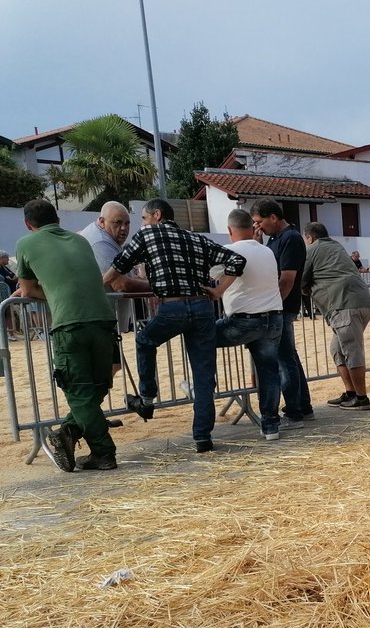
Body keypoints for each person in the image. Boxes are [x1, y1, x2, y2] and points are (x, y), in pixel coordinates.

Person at [105, 198, 245, 453]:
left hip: (172, 307)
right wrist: (218, 291)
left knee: (145, 340)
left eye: (144, 218)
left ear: (156, 215)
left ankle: (147, 398)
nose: (143, 224)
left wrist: (95, 288)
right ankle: (202, 437)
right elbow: (236, 261)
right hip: (203, 307)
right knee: (204, 375)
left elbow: (118, 268)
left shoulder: (148, 235)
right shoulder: (196, 238)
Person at [12, 199, 118, 471]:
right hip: (105, 320)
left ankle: (104, 453)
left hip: (70, 324)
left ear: (28, 224)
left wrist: (56, 295)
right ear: (57, 219)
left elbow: (27, 290)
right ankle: (67, 432)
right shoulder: (81, 241)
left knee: (79, 391)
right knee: (97, 386)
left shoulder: (26, 243)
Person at [200, 209, 284, 441]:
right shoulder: (267, 251)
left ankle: (201, 386)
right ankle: (270, 425)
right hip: (273, 317)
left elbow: (213, 275)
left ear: (229, 230)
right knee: (269, 371)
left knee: (200, 338)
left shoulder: (229, 251)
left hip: (243, 320)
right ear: (252, 226)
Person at [251, 200, 313, 428]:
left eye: (259, 222)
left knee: (285, 360)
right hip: (280, 306)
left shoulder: (291, 238)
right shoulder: (277, 239)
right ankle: (302, 407)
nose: (257, 227)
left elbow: (286, 280)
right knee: (289, 358)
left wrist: (273, 306)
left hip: (282, 308)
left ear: (273, 218)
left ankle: (295, 412)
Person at [301, 222, 370, 411]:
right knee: (337, 349)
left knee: (352, 351)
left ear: (309, 237)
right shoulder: (337, 246)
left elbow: (301, 279)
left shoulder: (312, 250)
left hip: (343, 305)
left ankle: (361, 397)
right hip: (361, 302)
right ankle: (351, 392)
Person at [80, 202, 144, 335]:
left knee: (115, 354)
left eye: (127, 223)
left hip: (102, 321)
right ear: (102, 222)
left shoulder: (104, 237)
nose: (123, 228)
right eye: (117, 223)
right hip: (99, 321)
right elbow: (121, 284)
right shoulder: (100, 242)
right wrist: (159, 286)